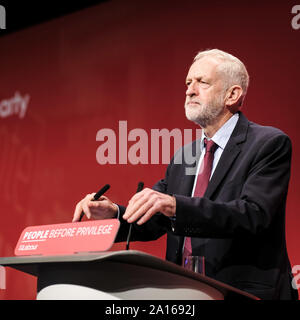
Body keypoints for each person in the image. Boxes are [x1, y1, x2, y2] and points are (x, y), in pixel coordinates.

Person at [73, 49, 298, 300]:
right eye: (188, 83)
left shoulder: (268, 143)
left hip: (243, 294)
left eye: (202, 82)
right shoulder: (185, 155)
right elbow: (156, 217)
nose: (190, 90)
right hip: (185, 294)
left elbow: (253, 215)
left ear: (232, 95)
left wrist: (175, 205)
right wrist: (114, 213)